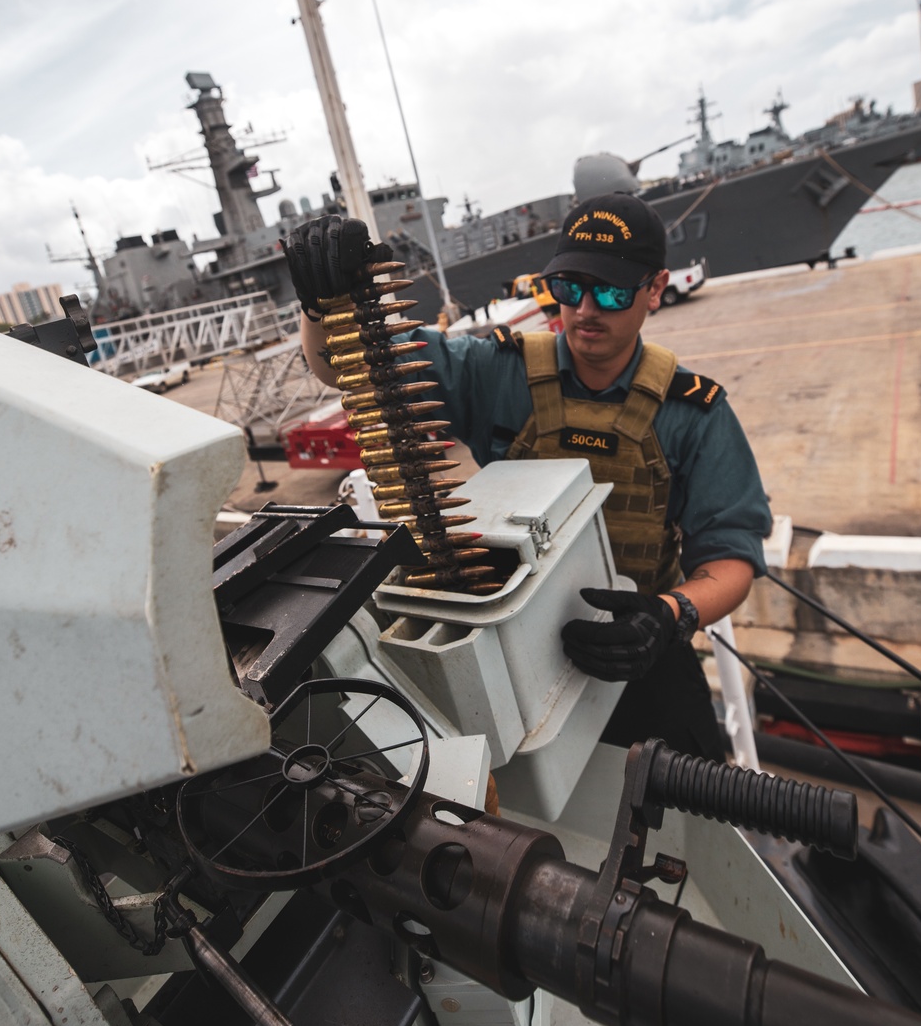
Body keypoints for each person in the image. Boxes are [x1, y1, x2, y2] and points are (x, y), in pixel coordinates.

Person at [287, 196, 771, 761]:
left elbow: (730, 559)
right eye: (570, 288)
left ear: (656, 288)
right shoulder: (497, 369)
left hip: (641, 650)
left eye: (612, 292)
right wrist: (320, 303)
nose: (586, 309)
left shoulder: (694, 411)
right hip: (512, 650)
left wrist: (669, 615)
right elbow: (352, 364)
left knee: (692, 815)